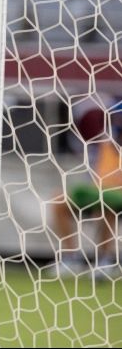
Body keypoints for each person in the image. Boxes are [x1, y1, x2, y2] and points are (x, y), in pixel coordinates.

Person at [51, 99, 122, 280]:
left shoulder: (114, 145)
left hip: (114, 194)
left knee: (107, 203)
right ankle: (70, 257)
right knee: (59, 199)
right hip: (92, 192)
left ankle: (105, 261)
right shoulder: (89, 145)